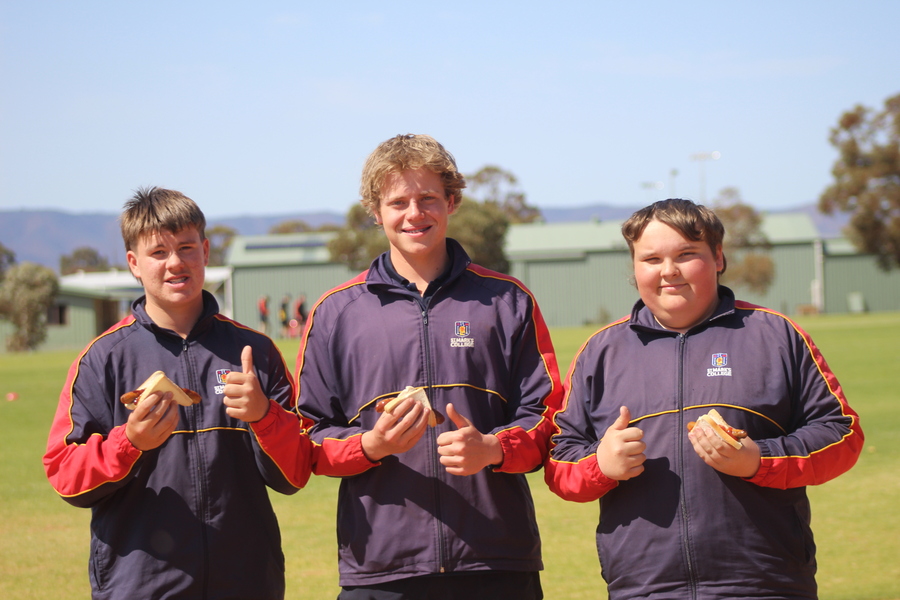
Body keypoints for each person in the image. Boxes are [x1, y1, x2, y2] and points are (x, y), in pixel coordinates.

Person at [544, 198, 864, 600]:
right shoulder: (601, 351)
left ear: (718, 257)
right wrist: (602, 465)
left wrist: (758, 460)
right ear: (634, 267)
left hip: (765, 583)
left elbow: (842, 435)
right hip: (644, 588)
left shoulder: (776, 336)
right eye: (651, 259)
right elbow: (559, 462)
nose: (668, 271)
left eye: (686, 254)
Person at [295, 134, 563, 599]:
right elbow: (308, 434)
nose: (414, 214)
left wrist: (494, 448)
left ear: (452, 201)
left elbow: (549, 415)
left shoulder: (508, 300)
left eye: (428, 198)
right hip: (380, 567)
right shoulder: (335, 312)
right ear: (375, 212)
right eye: (397, 202)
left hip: (496, 561)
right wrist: (370, 445)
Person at [44, 187, 315, 600]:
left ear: (206, 251)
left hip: (246, 581)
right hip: (141, 585)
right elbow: (65, 476)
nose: (175, 263)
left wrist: (263, 416)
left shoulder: (254, 351)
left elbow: (295, 473)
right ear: (134, 263)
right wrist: (130, 442)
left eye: (187, 248)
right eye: (158, 253)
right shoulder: (101, 359)